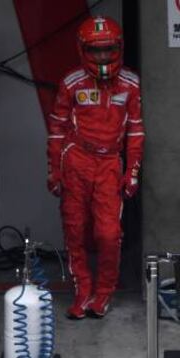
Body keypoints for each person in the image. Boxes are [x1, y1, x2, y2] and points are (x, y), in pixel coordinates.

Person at [47, 15, 144, 319]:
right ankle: (82, 292)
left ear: (119, 48)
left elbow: (136, 132)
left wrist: (133, 171)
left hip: (109, 165)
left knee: (107, 234)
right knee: (75, 231)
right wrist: (54, 169)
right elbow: (57, 130)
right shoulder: (71, 83)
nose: (103, 56)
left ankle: (103, 294)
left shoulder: (130, 84)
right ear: (83, 50)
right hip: (76, 160)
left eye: (108, 49)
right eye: (96, 50)